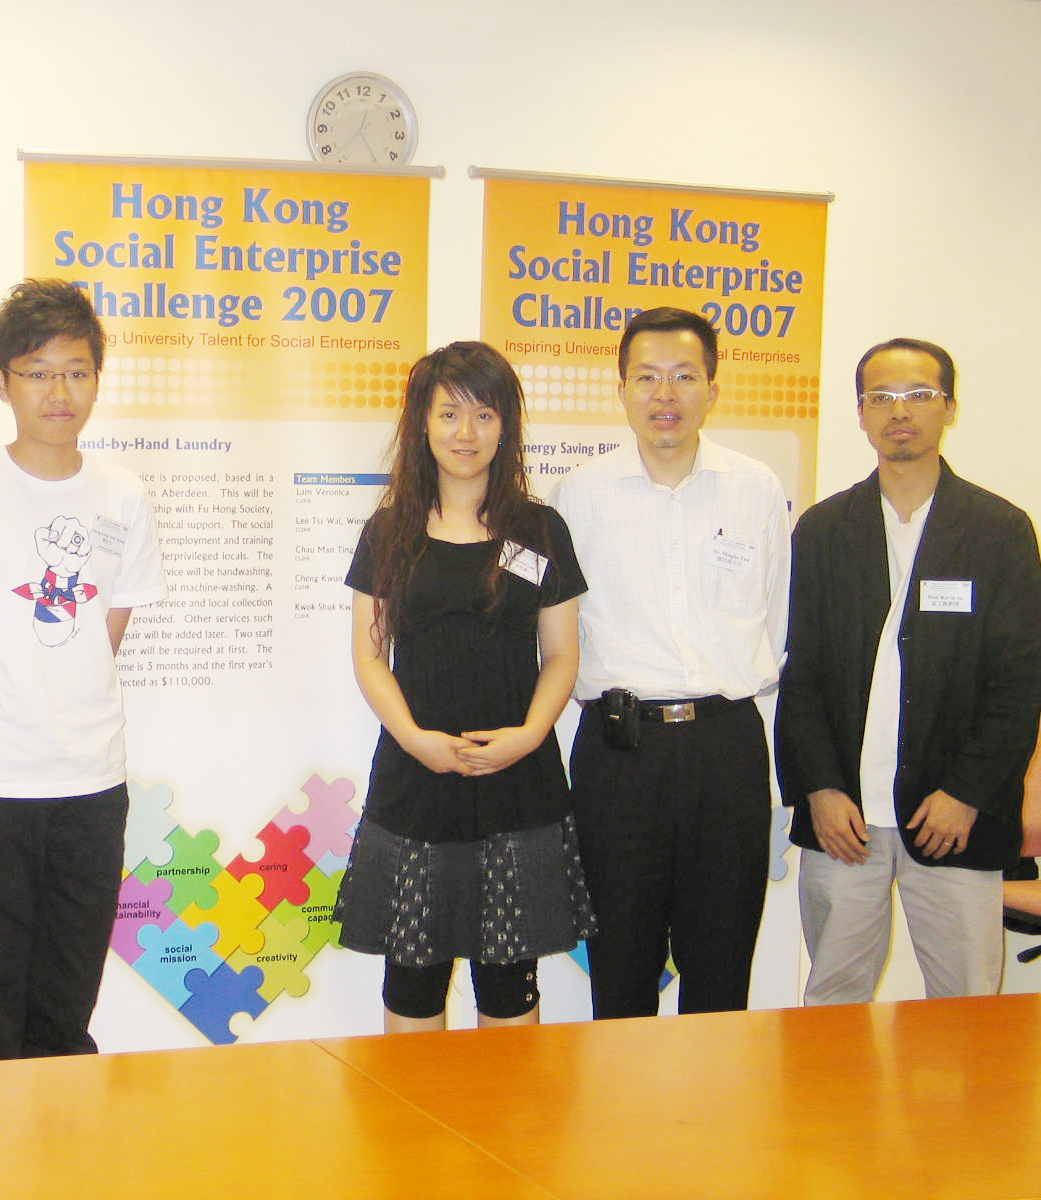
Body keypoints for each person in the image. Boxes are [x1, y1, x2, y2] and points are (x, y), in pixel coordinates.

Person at [0, 279, 166, 1062]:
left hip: (90, 789)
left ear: (98, 378)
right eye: (38, 371)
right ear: (2, 382)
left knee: (64, 1015)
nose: (60, 390)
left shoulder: (123, 495)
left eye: (78, 370)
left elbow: (105, 633)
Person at [334, 341, 595, 1033]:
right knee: (412, 980)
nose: (466, 434)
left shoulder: (538, 529)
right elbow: (369, 658)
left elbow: (562, 655)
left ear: (506, 425)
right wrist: (415, 739)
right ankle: (414, 1141)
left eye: (484, 415)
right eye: (449, 414)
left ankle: (507, 1138)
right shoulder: (389, 531)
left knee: (509, 984)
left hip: (516, 779)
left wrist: (529, 736)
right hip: (417, 779)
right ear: (422, 423)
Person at [775, 338, 1041, 1003]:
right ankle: (836, 1114)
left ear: (948, 407)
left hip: (953, 814)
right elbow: (801, 674)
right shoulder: (823, 529)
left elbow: (1019, 682)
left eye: (920, 395)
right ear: (860, 414)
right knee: (833, 1002)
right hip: (846, 820)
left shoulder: (1000, 530)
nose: (901, 411)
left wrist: (968, 792)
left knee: (967, 1007)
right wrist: (819, 789)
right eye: (882, 398)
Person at [549, 306, 790, 1019]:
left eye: (685, 376)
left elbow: (776, 620)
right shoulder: (578, 497)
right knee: (621, 965)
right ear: (620, 389)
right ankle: (623, 1129)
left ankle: (711, 1128)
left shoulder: (755, 490)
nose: (666, 394)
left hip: (727, 748)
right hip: (619, 753)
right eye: (647, 377)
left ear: (713, 389)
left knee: (722, 964)